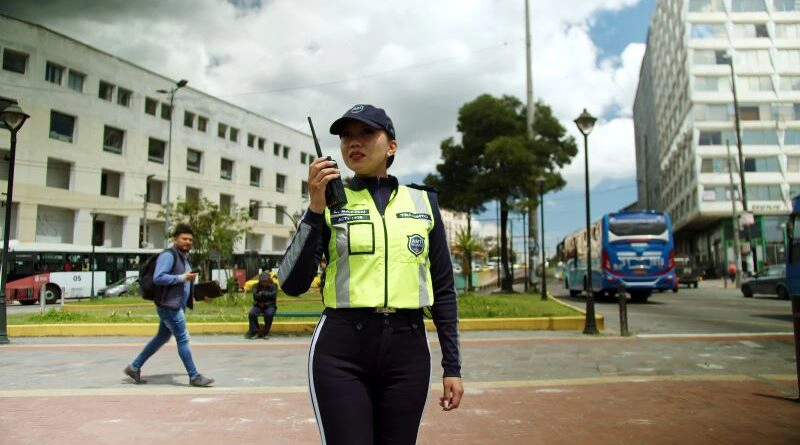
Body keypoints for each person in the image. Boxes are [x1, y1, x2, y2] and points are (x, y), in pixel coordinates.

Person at [279, 104, 463, 444]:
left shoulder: (423, 203)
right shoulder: (333, 202)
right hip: (341, 350)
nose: (354, 142)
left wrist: (452, 366)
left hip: (407, 351)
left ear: (391, 146)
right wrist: (315, 208)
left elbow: (444, 290)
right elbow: (292, 284)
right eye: (346, 136)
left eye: (366, 133)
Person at [124, 224, 214, 387]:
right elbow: (159, 278)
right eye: (184, 239)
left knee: (161, 338)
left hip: (175, 304)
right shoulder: (169, 255)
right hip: (169, 306)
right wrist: (182, 278)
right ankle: (194, 376)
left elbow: (185, 284)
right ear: (175, 239)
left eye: (190, 239)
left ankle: (134, 367)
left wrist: (201, 295)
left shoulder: (184, 258)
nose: (187, 242)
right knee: (183, 338)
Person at [246, 272, 278, 339]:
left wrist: (262, 293)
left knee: (269, 314)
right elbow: (255, 296)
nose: (264, 283)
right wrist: (266, 296)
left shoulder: (274, 286)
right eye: (262, 281)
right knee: (252, 314)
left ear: (268, 280)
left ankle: (266, 332)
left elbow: (273, 295)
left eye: (265, 281)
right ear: (260, 281)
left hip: (270, 305)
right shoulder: (255, 286)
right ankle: (255, 332)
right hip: (258, 304)